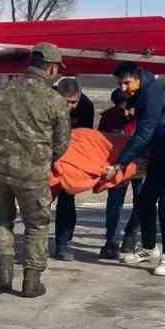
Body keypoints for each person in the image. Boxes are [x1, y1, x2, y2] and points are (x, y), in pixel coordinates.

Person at [0, 43, 71, 298]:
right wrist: (43, 159)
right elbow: (62, 142)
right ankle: (31, 281)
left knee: (0, 219)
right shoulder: (54, 99)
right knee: (37, 224)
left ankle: (3, 275)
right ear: (52, 67)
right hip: (32, 173)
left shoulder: (0, 91)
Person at [104, 62, 165, 277]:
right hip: (164, 149)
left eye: (126, 83)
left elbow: (143, 134)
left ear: (138, 78)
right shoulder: (140, 92)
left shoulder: (151, 95)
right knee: (145, 199)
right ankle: (149, 247)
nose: (123, 87)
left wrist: (121, 163)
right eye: (119, 83)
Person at [50, 77, 97, 261]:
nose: (71, 107)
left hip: (69, 156)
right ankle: (33, 242)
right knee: (40, 201)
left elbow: (83, 136)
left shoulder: (85, 106)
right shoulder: (46, 101)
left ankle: (62, 243)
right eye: (67, 102)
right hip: (45, 155)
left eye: (74, 101)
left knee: (67, 199)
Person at [97, 88, 143, 260]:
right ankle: (111, 241)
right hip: (118, 165)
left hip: (140, 164)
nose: (124, 111)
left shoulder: (142, 116)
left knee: (142, 200)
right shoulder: (109, 116)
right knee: (115, 203)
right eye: (120, 107)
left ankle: (130, 238)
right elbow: (101, 141)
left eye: (126, 106)